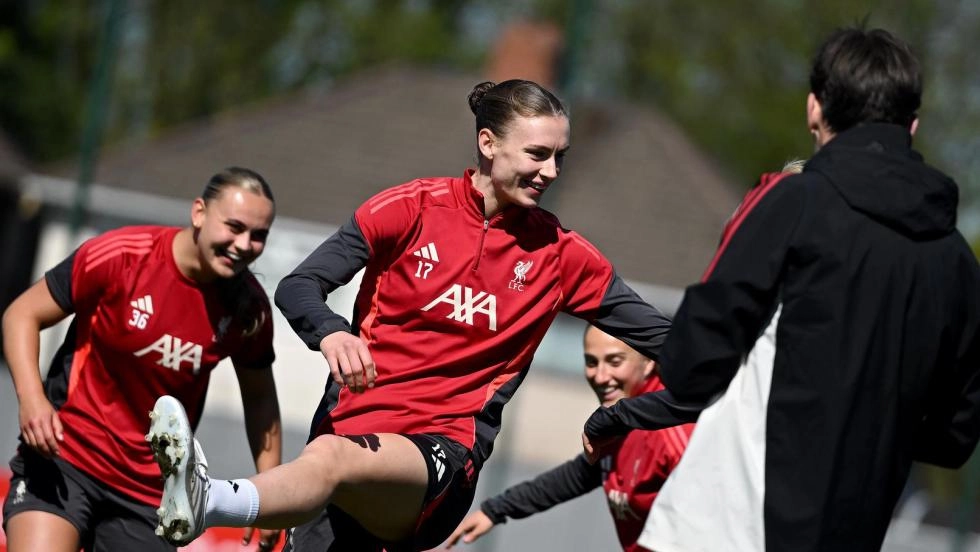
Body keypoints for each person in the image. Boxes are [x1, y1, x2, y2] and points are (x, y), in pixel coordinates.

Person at [147, 79, 674, 552]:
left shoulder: (563, 256)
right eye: (538, 154)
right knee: (331, 458)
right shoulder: (409, 208)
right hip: (345, 438)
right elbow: (299, 286)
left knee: (331, 459)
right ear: (488, 143)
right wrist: (331, 333)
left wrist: (628, 415)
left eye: (560, 156)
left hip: (442, 455)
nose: (551, 171)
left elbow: (677, 345)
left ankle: (208, 498)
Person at [583, 27, 980, 552]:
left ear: (815, 108)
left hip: (734, 524)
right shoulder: (955, 259)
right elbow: (955, 435)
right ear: (912, 125)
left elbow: (696, 358)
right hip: (853, 530)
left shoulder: (795, 204)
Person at [1, 167, 284, 551]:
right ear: (199, 213)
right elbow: (21, 314)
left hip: (151, 493)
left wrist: (268, 496)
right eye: (234, 227)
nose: (244, 244)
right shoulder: (122, 256)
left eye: (258, 235)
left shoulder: (249, 309)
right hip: (65, 457)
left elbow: (261, 399)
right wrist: (32, 399)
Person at [444, 325, 693, 551]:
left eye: (615, 361)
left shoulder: (673, 434)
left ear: (648, 363)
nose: (600, 376)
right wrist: (495, 510)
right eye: (591, 362)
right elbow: (577, 476)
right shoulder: (622, 421)